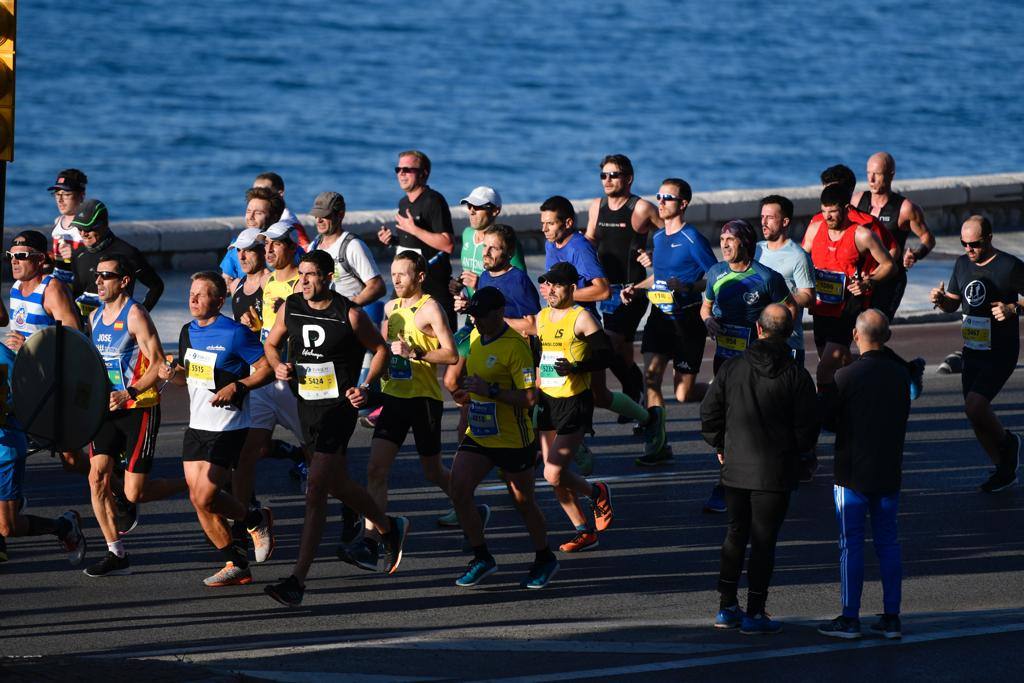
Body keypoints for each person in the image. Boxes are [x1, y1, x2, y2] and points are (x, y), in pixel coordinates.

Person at [263, 251, 409, 606]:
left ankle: (297, 580)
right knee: (337, 483)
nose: (305, 281)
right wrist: (278, 364)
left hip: (338, 409)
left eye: (312, 275)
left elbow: (380, 350)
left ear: (329, 277)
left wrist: (366, 386)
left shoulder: (349, 314)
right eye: (301, 274)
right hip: (306, 408)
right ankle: (389, 527)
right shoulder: (291, 306)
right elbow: (270, 343)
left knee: (315, 490)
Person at [701, 304, 819, 634]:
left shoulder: (733, 367)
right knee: (764, 541)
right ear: (790, 332)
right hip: (776, 470)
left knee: (735, 533)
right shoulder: (796, 375)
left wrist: (721, 446)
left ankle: (726, 606)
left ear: (758, 329)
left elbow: (709, 413)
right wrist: (792, 453)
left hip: (737, 467)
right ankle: (755, 610)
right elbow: (808, 429)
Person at [157, 272, 275, 586]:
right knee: (199, 501)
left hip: (229, 425)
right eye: (191, 293)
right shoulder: (187, 332)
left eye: (202, 294)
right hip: (197, 425)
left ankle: (253, 519)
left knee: (206, 495)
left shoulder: (235, 333)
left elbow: (266, 370)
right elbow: (186, 377)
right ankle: (238, 560)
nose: (193, 299)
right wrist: (170, 372)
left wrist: (238, 385)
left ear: (219, 301)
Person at [347, 250, 459, 569]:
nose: (395, 279)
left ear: (420, 277)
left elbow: (450, 354)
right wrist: (367, 388)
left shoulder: (431, 308)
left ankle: (468, 507)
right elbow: (384, 354)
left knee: (432, 471)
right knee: (375, 470)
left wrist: (417, 353)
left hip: (423, 400)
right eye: (392, 274)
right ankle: (371, 541)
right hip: (395, 397)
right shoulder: (390, 307)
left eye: (402, 274)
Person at [84, 256, 188, 578]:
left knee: (133, 493)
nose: (99, 281)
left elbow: (157, 364)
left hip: (138, 408)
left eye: (106, 276)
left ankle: (193, 484)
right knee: (96, 476)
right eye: (97, 276)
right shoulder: (95, 316)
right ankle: (116, 552)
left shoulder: (135, 315)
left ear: (124, 281)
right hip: (107, 411)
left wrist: (128, 392)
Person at [448, 287, 559, 589]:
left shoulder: (516, 347)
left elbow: (530, 398)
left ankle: (544, 557)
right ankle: (482, 557)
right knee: (458, 489)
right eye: (473, 316)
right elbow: (472, 376)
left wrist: (491, 391)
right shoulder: (474, 336)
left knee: (522, 502)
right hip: (481, 434)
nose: (477, 322)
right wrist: (466, 392)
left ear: (498, 313)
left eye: (481, 317)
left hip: (513, 438)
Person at [541, 195, 665, 458]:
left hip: (581, 328)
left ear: (568, 222)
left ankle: (642, 420)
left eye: (550, 223)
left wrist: (567, 297)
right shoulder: (551, 244)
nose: (545, 229)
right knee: (587, 392)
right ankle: (642, 419)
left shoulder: (580, 248)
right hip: (556, 324)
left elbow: (602, 290)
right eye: (543, 223)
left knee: (588, 393)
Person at [817, 310, 909, 640]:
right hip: (888, 468)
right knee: (888, 543)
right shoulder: (901, 375)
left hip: (852, 471)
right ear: (887, 336)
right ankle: (892, 616)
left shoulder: (846, 377)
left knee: (850, 545)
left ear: (856, 336)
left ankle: (850, 616)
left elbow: (827, 421)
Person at [700, 220, 796, 512]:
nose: (725, 244)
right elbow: (705, 306)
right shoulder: (716, 273)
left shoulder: (767, 277)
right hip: (726, 359)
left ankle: (765, 475)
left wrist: (773, 333)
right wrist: (708, 321)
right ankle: (725, 483)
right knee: (729, 418)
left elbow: (789, 309)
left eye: (731, 239)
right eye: (722, 239)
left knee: (756, 417)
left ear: (746, 243)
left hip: (759, 361)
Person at [622, 178, 715, 466]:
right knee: (651, 378)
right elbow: (659, 277)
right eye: (659, 196)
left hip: (687, 322)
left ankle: (719, 389)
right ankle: (657, 445)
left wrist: (688, 287)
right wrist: (637, 287)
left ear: (683, 204)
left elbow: (715, 277)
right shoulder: (659, 238)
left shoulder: (693, 239)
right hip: (660, 319)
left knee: (683, 393)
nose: (660, 202)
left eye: (668, 198)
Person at [930, 216, 1024, 492]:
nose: (969, 249)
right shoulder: (961, 264)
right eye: (964, 244)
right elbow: (953, 305)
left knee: (975, 405)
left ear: (989, 238)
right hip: (972, 348)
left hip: (1001, 350)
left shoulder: (1009, 266)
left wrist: (1012, 309)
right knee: (974, 415)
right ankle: (1002, 469)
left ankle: (1009, 442)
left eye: (975, 244)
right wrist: (941, 300)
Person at [231, 222, 308, 536]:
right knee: (246, 453)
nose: (269, 250)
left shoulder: (304, 282)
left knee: (317, 454)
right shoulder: (272, 282)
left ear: (291, 246)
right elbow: (270, 333)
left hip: (296, 382)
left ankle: (352, 512)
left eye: (275, 244)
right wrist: (255, 327)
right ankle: (244, 521)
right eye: (267, 245)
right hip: (266, 380)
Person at [535, 262, 615, 553]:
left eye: (557, 285)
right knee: (553, 475)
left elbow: (606, 355)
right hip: (547, 402)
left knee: (553, 473)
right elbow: (540, 353)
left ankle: (597, 491)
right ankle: (584, 531)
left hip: (574, 403)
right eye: (547, 284)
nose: (551, 290)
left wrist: (576, 367)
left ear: (571, 289)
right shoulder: (542, 317)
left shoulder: (581, 318)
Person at [584, 155, 662, 406]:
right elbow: (590, 240)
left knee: (607, 344)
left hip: (631, 290)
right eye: (603, 175)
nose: (607, 180)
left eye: (613, 175)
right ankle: (638, 399)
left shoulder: (641, 208)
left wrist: (653, 255)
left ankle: (632, 393)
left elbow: (672, 237)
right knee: (623, 353)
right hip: (603, 288)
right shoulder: (597, 205)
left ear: (628, 179)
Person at [0, 345, 87, 566]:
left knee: (8, 527)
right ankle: (15, 504)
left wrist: (6, 409)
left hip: (5, 451)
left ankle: (64, 526)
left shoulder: (3, 356)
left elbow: (32, 393)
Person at [802, 184, 895, 388]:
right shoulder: (815, 229)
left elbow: (889, 265)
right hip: (821, 306)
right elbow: (800, 259)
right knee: (839, 361)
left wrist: (869, 281)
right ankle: (883, 375)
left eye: (833, 211)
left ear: (846, 209)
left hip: (848, 308)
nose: (827, 217)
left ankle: (827, 410)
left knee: (825, 368)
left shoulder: (861, 235)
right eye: (824, 211)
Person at [754, 195, 818, 481]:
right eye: (762, 216)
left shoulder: (797, 255)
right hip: (758, 339)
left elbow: (808, 295)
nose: (764, 221)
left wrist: (780, 298)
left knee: (791, 401)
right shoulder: (754, 251)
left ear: (785, 222)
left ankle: (804, 452)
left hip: (788, 341)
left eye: (770, 217)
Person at [377, 150, 457, 329]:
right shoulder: (403, 203)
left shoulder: (434, 201)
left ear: (423, 173)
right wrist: (392, 240)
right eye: (398, 169)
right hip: (406, 283)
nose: (401, 174)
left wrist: (413, 229)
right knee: (388, 328)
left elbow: (448, 244)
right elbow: (414, 243)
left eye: (407, 169)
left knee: (441, 340)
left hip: (432, 285)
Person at [852, 152, 936, 319]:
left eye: (877, 174)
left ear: (891, 175)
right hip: (861, 280)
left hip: (890, 280)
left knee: (875, 328)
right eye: (868, 173)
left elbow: (928, 239)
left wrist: (916, 254)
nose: (871, 179)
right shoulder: (857, 200)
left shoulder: (905, 208)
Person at [69, 199, 165, 316]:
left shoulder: (128, 253)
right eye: (79, 228)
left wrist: (139, 314)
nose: (83, 233)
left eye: (88, 228)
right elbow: (76, 292)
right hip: (85, 327)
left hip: (116, 328)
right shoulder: (78, 254)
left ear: (104, 224)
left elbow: (156, 286)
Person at [6, 230, 81, 354]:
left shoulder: (52, 290)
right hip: (21, 364)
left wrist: (28, 347)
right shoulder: (15, 287)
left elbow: (74, 339)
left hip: (44, 367)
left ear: (40, 259)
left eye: (21, 256)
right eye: (11, 255)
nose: (14, 261)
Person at [454, 186, 527, 297]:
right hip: (473, 311)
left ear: (495, 211)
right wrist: (459, 284)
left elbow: (521, 286)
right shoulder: (467, 234)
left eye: (478, 206)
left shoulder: (507, 242)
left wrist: (480, 285)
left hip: (497, 313)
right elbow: (473, 271)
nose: (472, 211)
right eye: (469, 206)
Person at [219, 186, 286, 291]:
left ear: (274, 218)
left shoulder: (286, 248)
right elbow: (225, 283)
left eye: (258, 213)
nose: (250, 217)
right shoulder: (237, 245)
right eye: (248, 211)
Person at [47, 168, 88, 285]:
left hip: (80, 289)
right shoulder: (58, 221)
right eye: (57, 194)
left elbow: (101, 258)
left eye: (66, 194)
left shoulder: (88, 225)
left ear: (81, 195)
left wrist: (76, 254)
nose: (60, 200)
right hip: (60, 288)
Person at [252, 171, 312, 248]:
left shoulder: (290, 224)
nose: (256, 197)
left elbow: (305, 251)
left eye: (263, 192)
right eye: (254, 192)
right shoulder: (257, 218)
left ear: (280, 194)